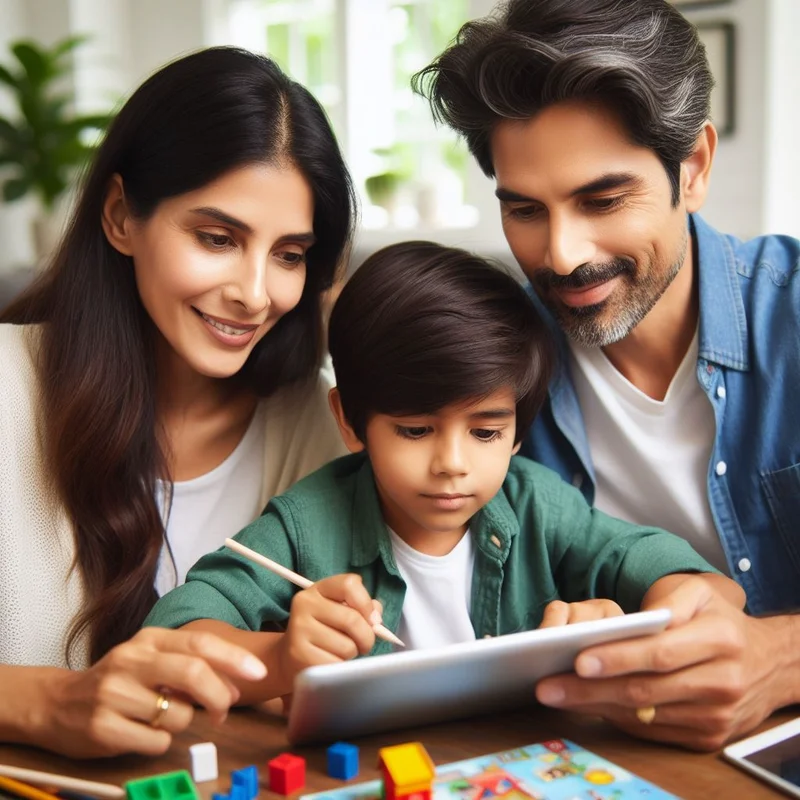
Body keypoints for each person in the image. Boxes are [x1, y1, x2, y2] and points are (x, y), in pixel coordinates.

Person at [412, 0, 800, 750]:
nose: (561, 255)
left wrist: (779, 659)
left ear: (693, 168)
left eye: (602, 199)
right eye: (524, 209)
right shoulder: (489, 368)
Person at [144, 241, 743, 707]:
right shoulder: (306, 524)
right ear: (350, 421)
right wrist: (280, 661)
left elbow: (691, 580)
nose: (453, 463)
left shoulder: (537, 506)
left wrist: (629, 623)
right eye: (415, 430)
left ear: (516, 431)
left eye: (486, 432)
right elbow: (169, 639)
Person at [0, 46, 355, 757]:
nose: (255, 294)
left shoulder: (313, 422)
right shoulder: (8, 386)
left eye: (289, 254)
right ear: (121, 216)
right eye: (217, 238)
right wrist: (41, 701)